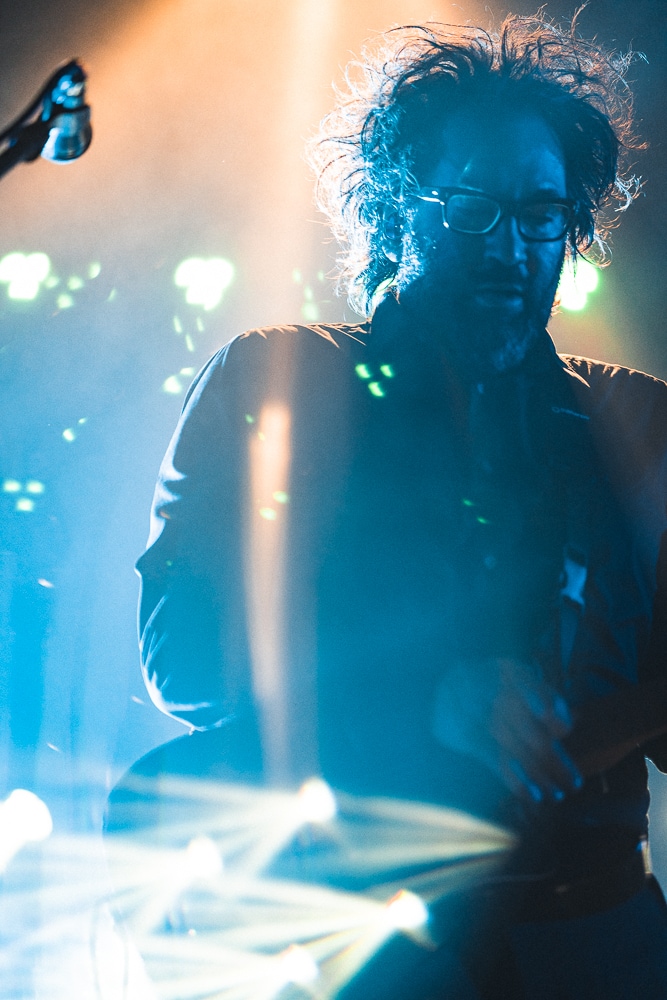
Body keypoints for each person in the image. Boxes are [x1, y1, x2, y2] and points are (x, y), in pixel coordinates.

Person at [133, 13, 667, 999]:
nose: (509, 247)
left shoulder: (636, 418)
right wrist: (424, 694)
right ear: (392, 208)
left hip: (590, 941)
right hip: (352, 938)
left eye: (540, 213)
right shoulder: (275, 381)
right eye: (471, 209)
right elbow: (187, 657)